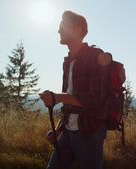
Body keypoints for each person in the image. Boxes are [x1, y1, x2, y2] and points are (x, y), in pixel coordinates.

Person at [39, 10, 108, 169]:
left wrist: (59, 97)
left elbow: (95, 98)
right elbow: (68, 102)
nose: (59, 30)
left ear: (77, 30)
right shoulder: (68, 61)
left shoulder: (95, 56)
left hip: (90, 132)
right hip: (68, 132)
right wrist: (58, 130)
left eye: (63, 26)